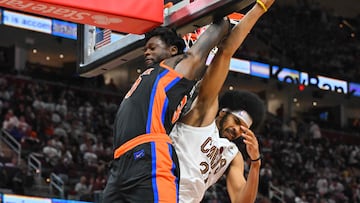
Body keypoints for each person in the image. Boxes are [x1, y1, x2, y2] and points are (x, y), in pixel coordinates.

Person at [101, 13, 232, 202]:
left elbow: (197, 53)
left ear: (172, 50)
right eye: (145, 49)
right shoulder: (151, 74)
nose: (146, 52)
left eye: (152, 48)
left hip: (150, 154)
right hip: (121, 160)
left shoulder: (176, 67)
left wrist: (223, 22)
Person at [169, 0, 274, 202]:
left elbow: (241, 201)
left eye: (243, 130)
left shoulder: (232, 154)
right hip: (159, 191)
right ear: (223, 112)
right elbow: (225, 53)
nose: (238, 131)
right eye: (237, 123)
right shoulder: (205, 112)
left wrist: (255, 163)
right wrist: (259, 8)